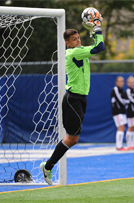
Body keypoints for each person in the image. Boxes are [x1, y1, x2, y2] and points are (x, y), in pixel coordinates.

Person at [40, 12, 105, 185]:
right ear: (67, 43)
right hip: (72, 99)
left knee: (73, 139)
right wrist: (97, 28)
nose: (78, 40)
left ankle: (48, 166)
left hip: (81, 98)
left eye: (78, 38)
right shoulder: (73, 53)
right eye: (74, 39)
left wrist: (93, 31)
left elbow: (95, 46)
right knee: (71, 139)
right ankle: (47, 166)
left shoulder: (79, 51)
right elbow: (100, 47)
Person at [111, 76, 129, 151]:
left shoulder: (121, 90)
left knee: (122, 128)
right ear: (116, 82)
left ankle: (120, 145)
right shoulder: (115, 89)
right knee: (120, 127)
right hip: (117, 112)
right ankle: (119, 146)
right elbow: (120, 100)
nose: (120, 83)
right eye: (119, 81)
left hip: (122, 112)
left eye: (122, 81)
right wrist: (128, 102)